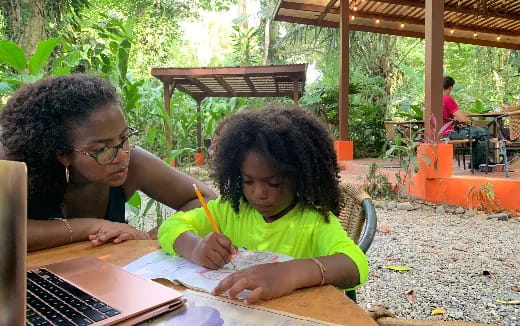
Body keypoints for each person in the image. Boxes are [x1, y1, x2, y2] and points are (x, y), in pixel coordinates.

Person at [158, 105, 368, 304]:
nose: (259, 193)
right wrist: (195, 247)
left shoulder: (312, 222)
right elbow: (170, 226)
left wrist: (289, 273)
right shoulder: (230, 210)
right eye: (248, 181)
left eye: (273, 183)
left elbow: (355, 264)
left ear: (299, 177)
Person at [0, 74, 217, 252]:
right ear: (62, 154)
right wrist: (94, 226)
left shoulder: (134, 162)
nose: (122, 155)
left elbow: (205, 199)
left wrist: (166, 231)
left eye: (124, 138)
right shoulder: (18, 168)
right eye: (101, 149)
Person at [443, 76, 489, 168]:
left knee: (476, 135)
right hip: (449, 133)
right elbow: (463, 119)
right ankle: (480, 163)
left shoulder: (433, 100)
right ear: (450, 87)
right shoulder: (447, 99)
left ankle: (476, 163)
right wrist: (468, 121)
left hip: (437, 133)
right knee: (483, 131)